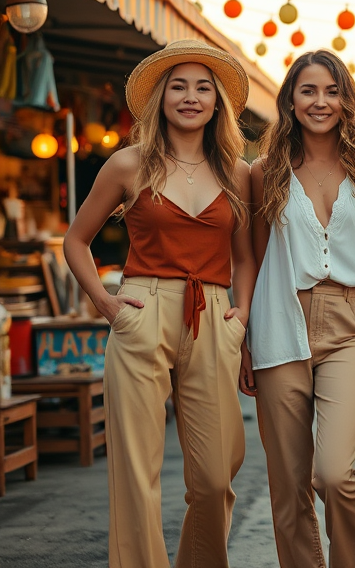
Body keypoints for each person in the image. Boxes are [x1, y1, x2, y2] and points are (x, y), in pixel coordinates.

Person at [64, 40, 256, 568]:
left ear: (217, 102)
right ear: (161, 99)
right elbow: (75, 240)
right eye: (179, 86)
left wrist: (241, 314)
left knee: (217, 474)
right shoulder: (128, 164)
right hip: (142, 309)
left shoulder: (237, 173)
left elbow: (246, 257)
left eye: (202, 87)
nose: (191, 97)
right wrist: (105, 302)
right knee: (135, 471)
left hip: (213, 314)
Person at [240, 50, 355, 568]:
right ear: (290, 99)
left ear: (347, 100)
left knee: (334, 472)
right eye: (308, 90)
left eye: (332, 91)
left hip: (352, 325)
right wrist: (246, 341)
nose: (320, 101)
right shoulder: (265, 171)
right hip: (278, 322)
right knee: (288, 484)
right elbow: (256, 259)